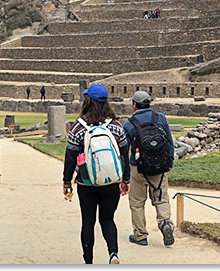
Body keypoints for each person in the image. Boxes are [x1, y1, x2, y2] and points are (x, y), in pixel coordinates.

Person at [63, 84, 130, 264]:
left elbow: (70, 157)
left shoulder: (78, 127)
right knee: (108, 219)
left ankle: (89, 261)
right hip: (111, 182)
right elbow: (124, 154)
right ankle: (113, 254)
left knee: (88, 222)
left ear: (88, 101)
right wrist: (126, 179)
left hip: (86, 182)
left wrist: (67, 181)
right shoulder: (116, 126)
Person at [123, 91, 175, 247]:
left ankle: (140, 235)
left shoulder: (129, 123)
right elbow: (169, 142)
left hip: (138, 167)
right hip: (159, 166)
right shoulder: (160, 118)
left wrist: (125, 172)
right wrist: (169, 162)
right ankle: (165, 223)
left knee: (137, 202)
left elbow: (124, 149)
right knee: (161, 198)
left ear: (134, 105)